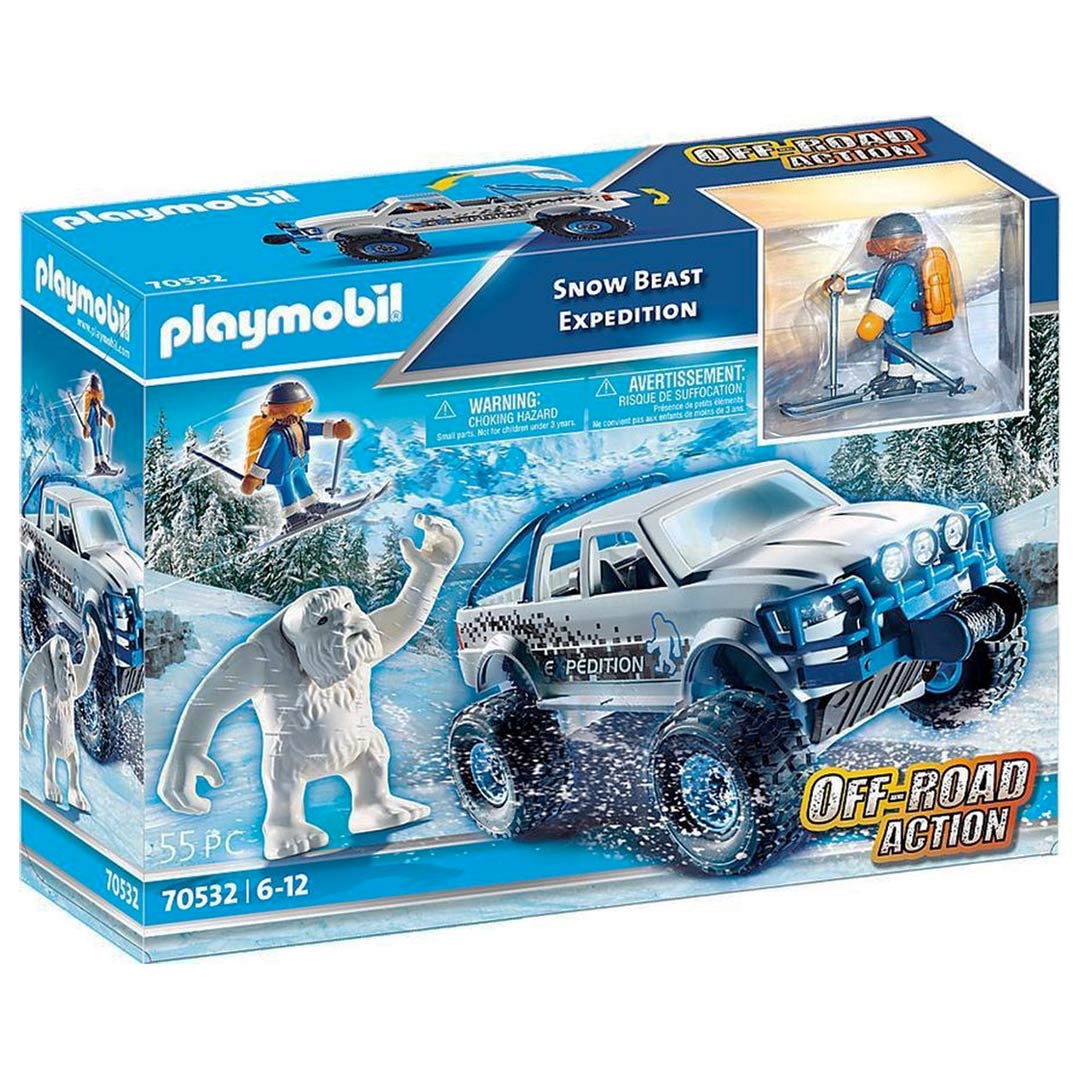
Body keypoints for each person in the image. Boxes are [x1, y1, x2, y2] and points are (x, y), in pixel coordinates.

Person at [241, 380, 354, 531]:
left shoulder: (299, 426)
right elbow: (265, 455)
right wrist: (254, 477)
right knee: (286, 489)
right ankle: (292, 517)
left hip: (297, 464)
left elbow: (316, 428)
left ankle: (312, 505)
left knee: (301, 482)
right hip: (281, 470)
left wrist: (335, 429)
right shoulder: (276, 435)